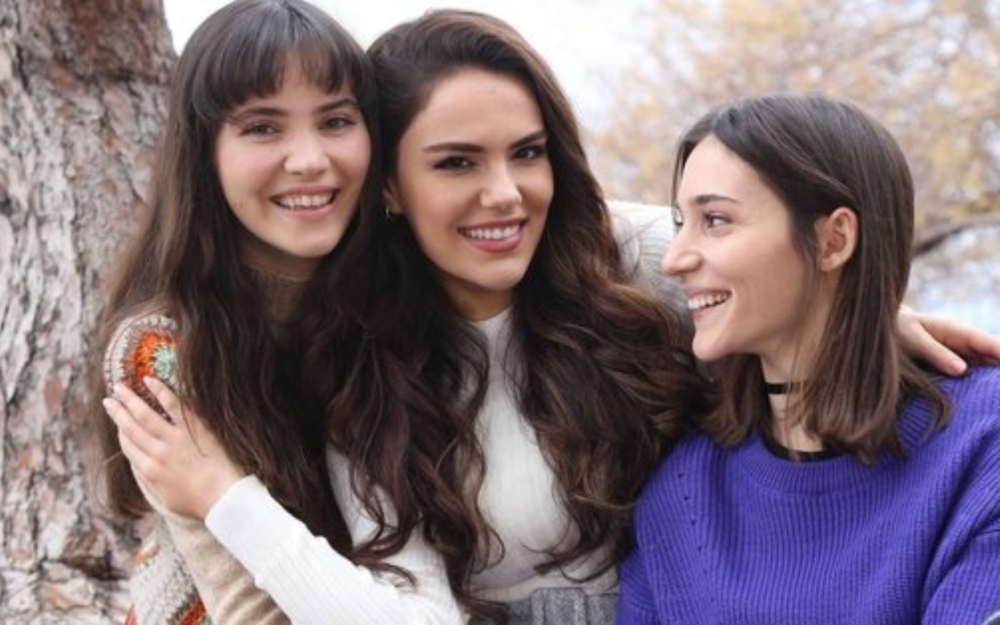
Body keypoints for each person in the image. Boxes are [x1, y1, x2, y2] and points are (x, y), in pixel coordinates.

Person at [104, 10, 1000, 625]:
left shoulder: (621, 263)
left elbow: (749, 248)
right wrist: (227, 499)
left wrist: (872, 313)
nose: (505, 193)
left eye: (527, 152)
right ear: (390, 187)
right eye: (456, 162)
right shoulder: (359, 369)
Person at [95, 0, 461, 623]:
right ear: (204, 151)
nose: (310, 159)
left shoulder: (387, 309)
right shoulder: (163, 348)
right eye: (263, 128)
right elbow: (244, 610)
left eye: (336, 120)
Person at [616, 94, 1000, 623]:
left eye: (717, 220)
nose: (675, 258)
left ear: (833, 240)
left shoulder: (981, 444)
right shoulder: (684, 492)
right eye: (682, 222)